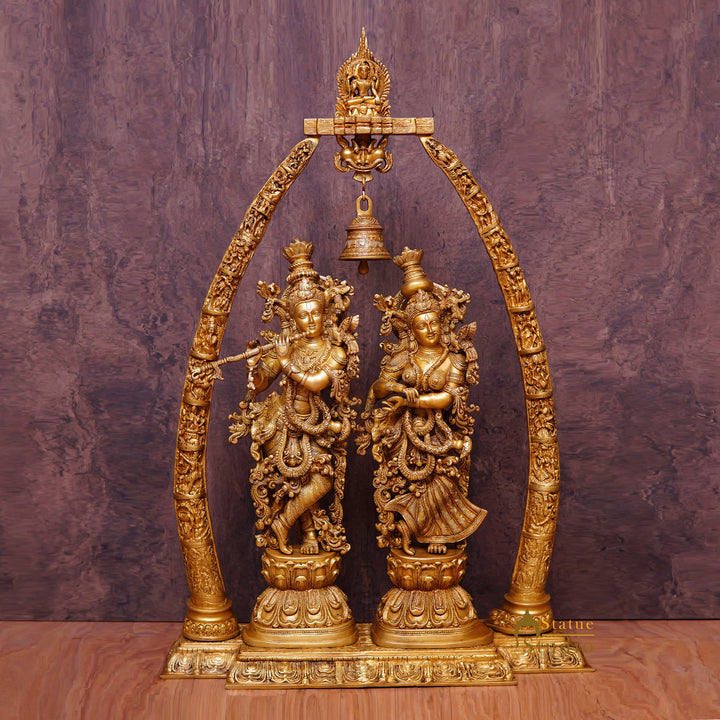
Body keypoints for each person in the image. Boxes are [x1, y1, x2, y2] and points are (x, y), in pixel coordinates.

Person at [229, 240, 358, 556]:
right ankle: (308, 534)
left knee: (321, 480)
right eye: (303, 315)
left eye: (316, 313)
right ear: (294, 319)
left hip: (314, 420)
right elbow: (261, 383)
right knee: (295, 480)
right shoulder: (285, 346)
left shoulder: (335, 351)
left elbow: (317, 383)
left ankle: (283, 522)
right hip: (280, 421)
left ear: (324, 314)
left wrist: (287, 362)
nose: (311, 321)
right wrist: (253, 367)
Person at [358, 248, 486, 555]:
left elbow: (448, 397)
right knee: (410, 484)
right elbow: (378, 388)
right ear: (411, 331)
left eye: (434, 323)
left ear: (442, 323)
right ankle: (408, 529)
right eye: (421, 325)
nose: (429, 330)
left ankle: (437, 533)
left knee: (441, 480)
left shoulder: (454, 359)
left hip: (439, 432)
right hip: (403, 434)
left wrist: (413, 402)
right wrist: (395, 388)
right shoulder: (403, 357)